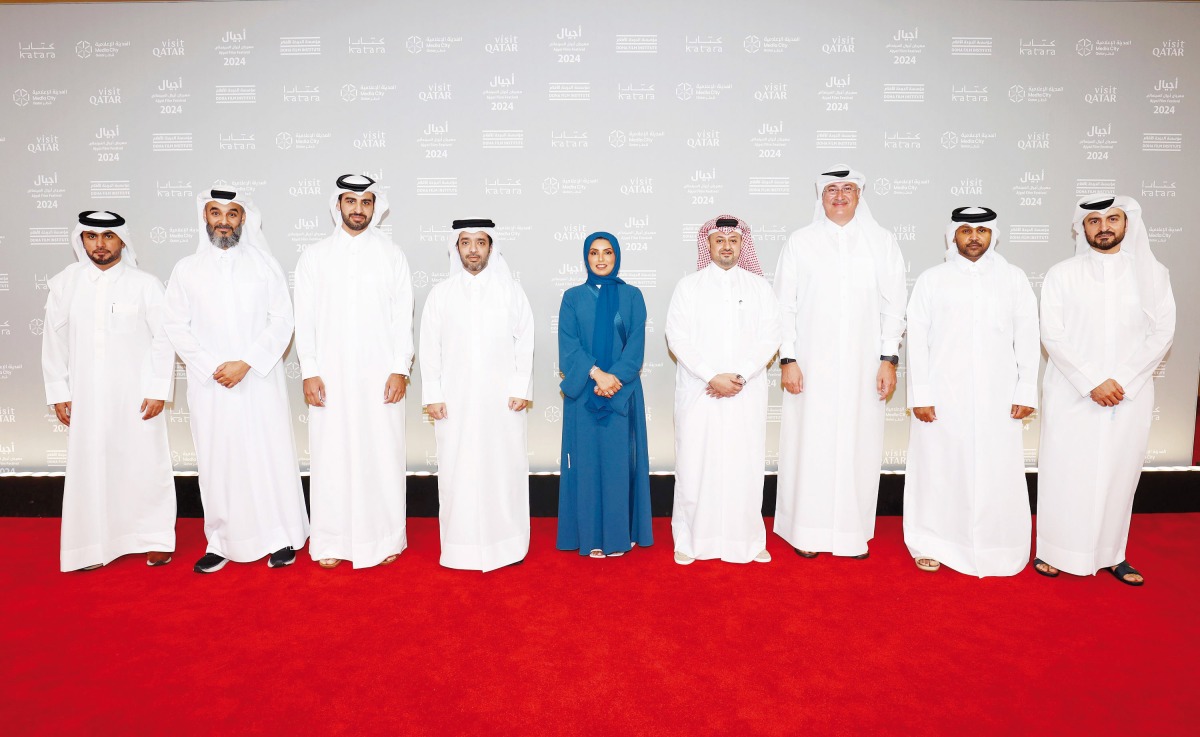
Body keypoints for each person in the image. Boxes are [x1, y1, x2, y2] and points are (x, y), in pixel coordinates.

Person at [162, 187, 310, 574]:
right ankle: (222, 541)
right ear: (205, 218)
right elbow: (175, 325)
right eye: (215, 213)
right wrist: (213, 365)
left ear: (244, 218)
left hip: (258, 379)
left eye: (232, 214)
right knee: (218, 460)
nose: (223, 221)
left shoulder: (265, 265)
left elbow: (282, 321)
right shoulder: (186, 270)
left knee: (268, 454)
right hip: (210, 385)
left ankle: (281, 537)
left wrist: (246, 362)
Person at [1035, 195, 1175, 586]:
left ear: (1127, 224)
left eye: (1112, 219)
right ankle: (1054, 551)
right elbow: (1053, 334)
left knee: (1119, 472)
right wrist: (1092, 380)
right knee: (1066, 472)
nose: (1104, 227)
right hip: (1072, 390)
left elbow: (1162, 332)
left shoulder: (1153, 273)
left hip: (1129, 394)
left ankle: (1113, 554)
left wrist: (1123, 380)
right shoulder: (1062, 274)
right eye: (1094, 221)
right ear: (1082, 228)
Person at [772, 166, 907, 560]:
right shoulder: (800, 242)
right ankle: (807, 531)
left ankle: (851, 532)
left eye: (848, 188)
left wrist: (889, 359)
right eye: (832, 189)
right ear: (821, 196)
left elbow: (894, 305)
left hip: (865, 366)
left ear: (860, 196)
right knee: (809, 444)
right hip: (810, 366)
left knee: (859, 443)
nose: (840, 195)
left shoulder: (882, 242)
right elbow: (784, 305)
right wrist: (788, 358)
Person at [903, 207, 1039, 577]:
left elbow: (1028, 336)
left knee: (998, 469)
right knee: (938, 468)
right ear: (953, 236)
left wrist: (1026, 389)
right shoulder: (933, 280)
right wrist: (921, 395)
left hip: (999, 396)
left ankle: (999, 545)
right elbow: (916, 341)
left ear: (994, 235)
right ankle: (931, 543)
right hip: (943, 395)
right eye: (965, 230)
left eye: (981, 230)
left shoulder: (1013, 279)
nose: (974, 237)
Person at [42, 211, 176, 572]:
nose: (99, 244)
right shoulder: (65, 284)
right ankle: (89, 546)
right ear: (81, 241)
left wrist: (158, 388)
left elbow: (164, 341)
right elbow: (53, 341)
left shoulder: (145, 284)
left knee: (145, 463)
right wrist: (58, 391)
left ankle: (156, 538)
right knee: (90, 467)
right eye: (91, 237)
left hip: (137, 398)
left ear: (122, 240)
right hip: (85, 396)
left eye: (107, 237)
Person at [295, 175, 413, 570]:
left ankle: (384, 537)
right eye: (350, 201)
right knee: (330, 455)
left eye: (365, 201)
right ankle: (331, 540)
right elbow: (305, 319)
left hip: (381, 377)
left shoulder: (392, 254)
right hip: (329, 377)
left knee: (382, 454)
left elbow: (402, 318)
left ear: (375, 206)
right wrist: (309, 370)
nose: (357, 209)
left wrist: (400, 368)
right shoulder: (314, 256)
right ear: (337, 205)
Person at [665, 215, 781, 565]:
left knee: (744, 464)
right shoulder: (689, 286)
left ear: (742, 245)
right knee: (695, 464)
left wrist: (741, 376)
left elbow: (771, 336)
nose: (726, 246)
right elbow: (677, 337)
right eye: (719, 241)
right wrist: (710, 376)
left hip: (746, 391)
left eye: (733, 241)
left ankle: (747, 541)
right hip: (700, 392)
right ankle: (690, 540)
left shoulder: (760, 288)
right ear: (708, 246)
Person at [419, 219, 535, 571]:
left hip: (503, 403)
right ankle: (461, 548)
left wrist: (520, 388)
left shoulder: (510, 290)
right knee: (458, 470)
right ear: (456, 248)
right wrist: (433, 394)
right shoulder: (440, 294)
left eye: (480, 242)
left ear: (491, 247)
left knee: (504, 469)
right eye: (466, 242)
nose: (473, 249)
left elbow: (525, 341)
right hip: (453, 403)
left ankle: (507, 545)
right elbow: (429, 348)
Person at [556, 231, 653, 558]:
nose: (600, 259)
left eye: (607, 253)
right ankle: (591, 536)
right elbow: (569, 347)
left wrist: (615, 379)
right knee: (585, 465)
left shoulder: (633, 296)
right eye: (594, 253)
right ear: (586, 257)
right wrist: (597, 374)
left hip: (622, 394)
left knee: (619, 465)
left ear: (616, 257)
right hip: (585, 393)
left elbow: (635, 348)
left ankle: (618, 535)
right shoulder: (572, 297)